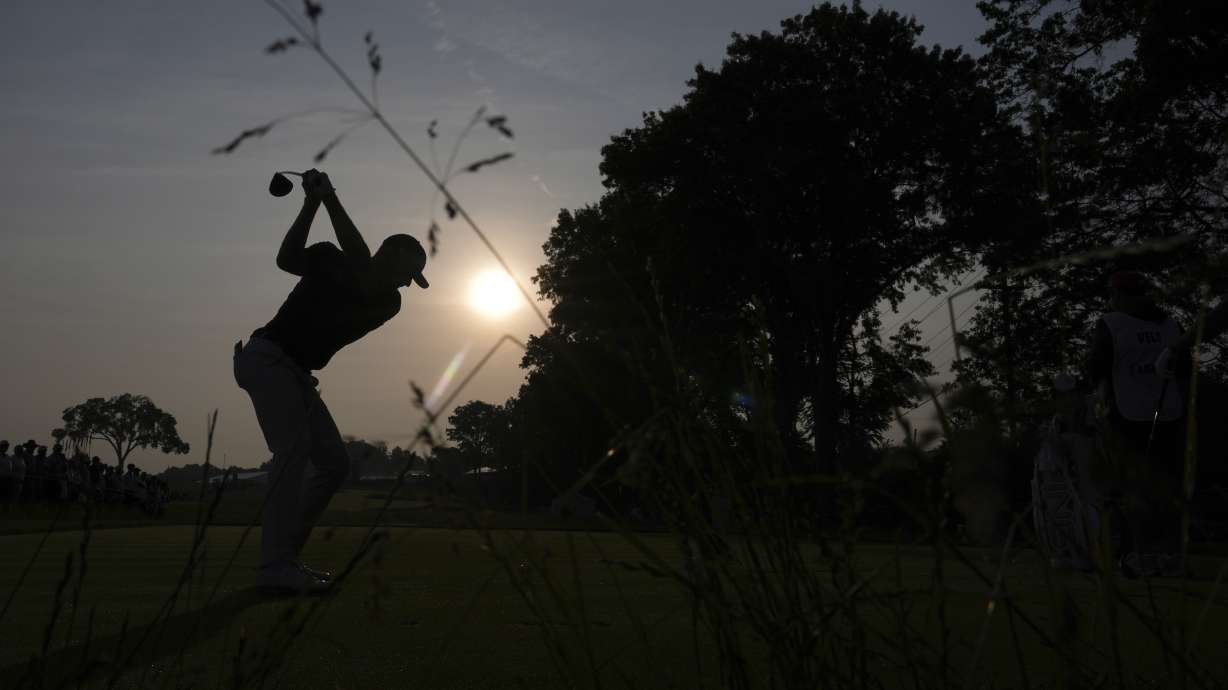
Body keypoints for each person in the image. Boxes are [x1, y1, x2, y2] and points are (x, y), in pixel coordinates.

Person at [233, 169, 430, 593]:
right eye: (406, 273)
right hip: (267, 359)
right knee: (293, 452)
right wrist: (311, 204)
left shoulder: (388, 302)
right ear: (389, 255)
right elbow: (286, 260)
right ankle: (274, 569)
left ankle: (286, 558)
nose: (405, 285)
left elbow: (361, 269)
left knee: (334, 464)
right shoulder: (328, 256)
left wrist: (328, 199)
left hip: (297, 375)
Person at [1083, 270, 1189, 577]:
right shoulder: (1172, 325)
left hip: (1128, 415)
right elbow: (1185, 368)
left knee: (1133, 488)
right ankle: (1170, 556)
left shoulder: (1112, 323)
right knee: (1167, 487)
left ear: (1121, 295)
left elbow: (1096, 367)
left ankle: (1138, 554)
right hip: (1170, 412)